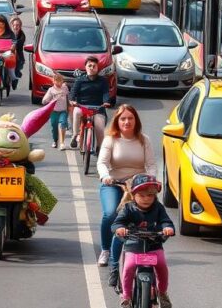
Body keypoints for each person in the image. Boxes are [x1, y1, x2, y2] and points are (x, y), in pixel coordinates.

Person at [98, 104, 158, 279]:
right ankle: (106, 250)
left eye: (130, 118)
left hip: (137, 186)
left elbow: (152, 165)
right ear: (117, 121)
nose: (126, 122)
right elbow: (101, 163)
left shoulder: (143, 140)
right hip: (114, 184)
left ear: (136, 121)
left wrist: (151, 179)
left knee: (145, 219)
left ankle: (146, 251)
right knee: (110, 215)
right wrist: (105, 176)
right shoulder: (111, 139)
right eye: (123, 118)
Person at [112, 174, 175, 308]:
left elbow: (166, 221)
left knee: (162, 266)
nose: (146, 199)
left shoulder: (158, 207)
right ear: (133, 195)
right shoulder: (128, 208)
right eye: (142, 195)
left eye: (150, 196)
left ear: (155, 196)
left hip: (154, 245)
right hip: (133, 245)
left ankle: (163, 293)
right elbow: (117, 223)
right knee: (128, 268)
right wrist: (120, 228)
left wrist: (168, 228)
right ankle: (126, 298)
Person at [69, 56, 113, 150]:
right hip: (82, 106)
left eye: (94, 66)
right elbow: (73, 92)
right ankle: (75, 135)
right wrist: (72, 100)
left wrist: (106, 102)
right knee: (76, 112)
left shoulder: (103, 81)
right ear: (85, 67)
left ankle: (99, 147)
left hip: (98, 108)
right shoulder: (79, 80)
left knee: (99, 127)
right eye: (89, 66)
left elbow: (106, 93)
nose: (92, 68)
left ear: (97, 68)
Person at [42, 73, 70, 149]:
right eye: (57, 81)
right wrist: (49, 99)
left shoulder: (65, 88)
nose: (59, 83)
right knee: (54, 127)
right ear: (53, 81)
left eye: (60, 81)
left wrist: (69, 106)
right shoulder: (51, 90)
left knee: (63, 124)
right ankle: (55, 140)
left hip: (63, 111)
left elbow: (68, 97)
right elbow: (44, 101)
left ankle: (62, 143)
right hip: (54, 111)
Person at [9, 15, 27, 90]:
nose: (16, 27)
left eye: (17, 25)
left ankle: (15, 78)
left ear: (20, 26)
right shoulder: (8, 33)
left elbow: (19, 43)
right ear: (12, 25)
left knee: (17, 68)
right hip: (8, 54)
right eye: (14, 25)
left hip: (18, 57)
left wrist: (14, 44)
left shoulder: (22, 35)